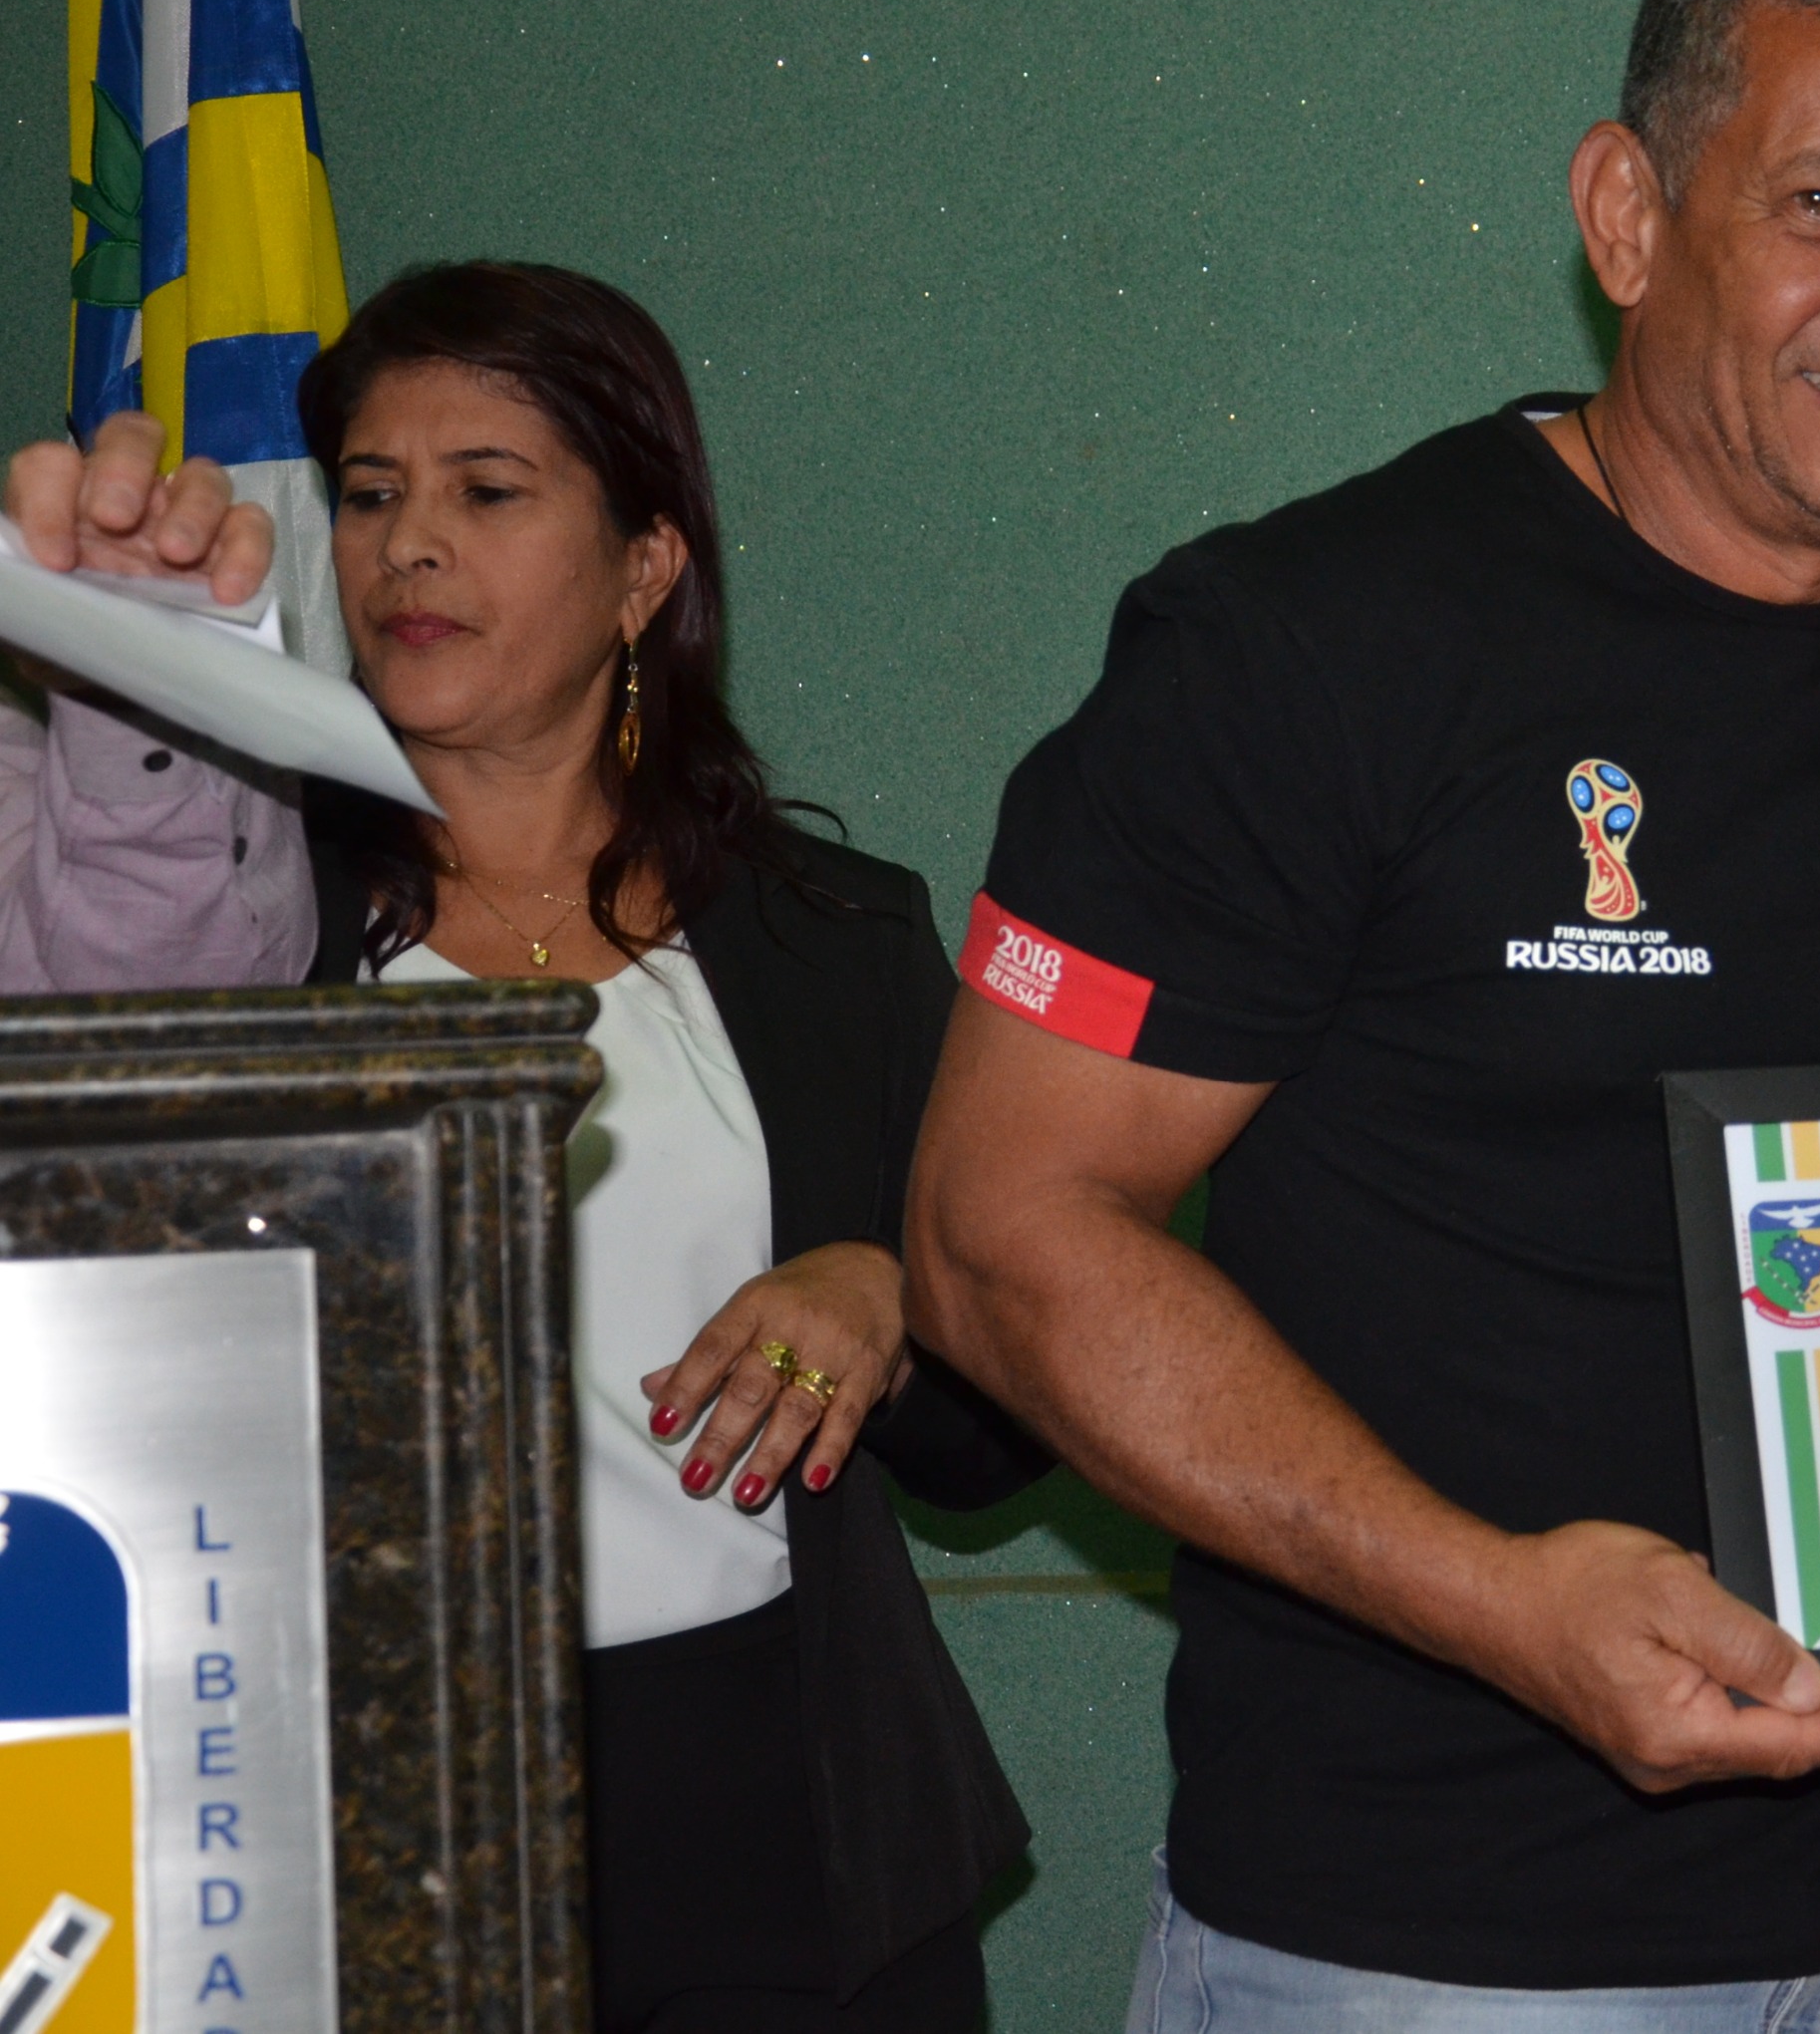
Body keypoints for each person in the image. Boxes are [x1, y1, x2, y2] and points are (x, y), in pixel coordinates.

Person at [901, 0, 1820, 2030]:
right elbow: (1001, 1238)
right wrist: (1500, 1607)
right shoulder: (1308, 647)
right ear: (1628, 216)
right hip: (1434, 1941)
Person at [1, 263, 1042, 2034]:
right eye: (370, 495)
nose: (409, 545)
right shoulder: (235, 931)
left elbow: (995, 1432)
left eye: (487, 491)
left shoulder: (830, 937)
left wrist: (891, 1291)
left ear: (645, 570)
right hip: (347, 1814)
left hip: (785, 1831)